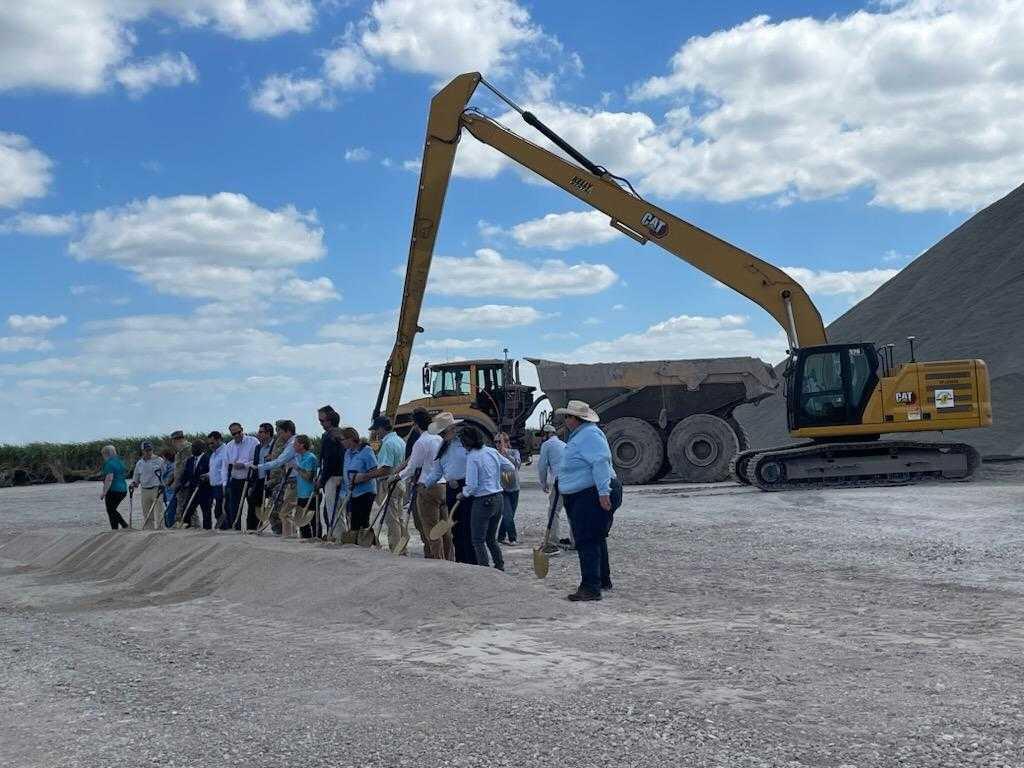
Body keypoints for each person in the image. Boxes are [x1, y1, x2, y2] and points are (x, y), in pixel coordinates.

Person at [555, 400, 619, 602]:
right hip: (587, 492)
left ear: (576, 419)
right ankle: (601, 579)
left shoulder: (588, 435)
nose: (565, 420)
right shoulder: (584, 435)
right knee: (596, 537)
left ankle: (591, 587)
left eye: (567, 417)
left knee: (586, 539)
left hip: (590, 493)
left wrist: (603, 492)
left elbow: (600, 462)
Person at [421, 412, 475, 564]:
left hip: (468, 488)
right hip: (452, 490)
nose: (442, 436)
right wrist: (425, 485)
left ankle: (472, 563)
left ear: (452, 429)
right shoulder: (442, 447)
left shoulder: (467, 443)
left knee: (467, 529)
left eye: (443, 432)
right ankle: (461, 562)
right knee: (456, 531)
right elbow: (437, 471)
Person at [461, 427, 515, 570]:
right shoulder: (491, 451)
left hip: (482, 501)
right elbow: (510, 467)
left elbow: (472, 486)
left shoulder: (472, 457)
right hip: (498, 497)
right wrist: (496, 477)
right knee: (491, 538)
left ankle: (484, 570)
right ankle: (499, 566)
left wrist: (463, 493)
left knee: (478, 540)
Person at [400, 408, 450, 558]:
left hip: (427, 486)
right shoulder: (439, 439)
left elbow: (412, 467)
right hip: (442, 485)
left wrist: (397, 476)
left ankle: (437, 560)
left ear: (415, 424)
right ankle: (448, 559)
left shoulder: (421, 442)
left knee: (431, 529)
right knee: (444, 528)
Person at [359, 415, 406, 551]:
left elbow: (385, 469)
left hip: (389, 482)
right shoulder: (400, 441)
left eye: (376, 430)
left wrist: (366, 476)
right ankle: (402, 547)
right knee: (399, 518)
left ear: (380, 428)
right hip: (400, 482)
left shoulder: (387, 443)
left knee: (392, 520)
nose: (375, 433)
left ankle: (396, 548)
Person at [256, 420, 297, 536]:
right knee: (279, 510)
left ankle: (288, 535)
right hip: (285, 479)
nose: (278, 434)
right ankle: (284, 534)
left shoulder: (293, 443)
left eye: (280, 431)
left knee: (283, 512)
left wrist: (259, 467)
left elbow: (279, 461)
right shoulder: (285, 442)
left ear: (288, 431)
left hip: (292, 480)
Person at [537, 423, 570, 551]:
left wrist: (543, 483)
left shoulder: (547, 445)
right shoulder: (563, 444)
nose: (541, 438)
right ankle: (574, 541)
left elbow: (542, 466)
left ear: (548, 434)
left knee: (553, 511)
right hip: (571, 480)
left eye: (542, 435)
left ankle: (553, 541)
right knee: (570, 511)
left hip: (560, 480)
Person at [222, 422, 260, 530]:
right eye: (234, 434)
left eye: (238, 432)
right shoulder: (229, 446)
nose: (237, 435)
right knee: (234, 507)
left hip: (250, 479)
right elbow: (226, 464)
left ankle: (252, 530)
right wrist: (224, 483)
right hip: (235, 480)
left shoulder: (253, 442)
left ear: (242, 430)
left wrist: (244, 465)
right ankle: (235, 529)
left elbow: (256, 460)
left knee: (252, 507)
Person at [339, 427, 378, 533]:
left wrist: (361, 478)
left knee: (362, 522)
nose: (341, 442)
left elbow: (375, 471)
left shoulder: (366, 451)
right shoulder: (347, 453)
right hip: (352, 492)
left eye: (342, 439)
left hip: (366, 491)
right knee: (353, 523)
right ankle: (358, 544)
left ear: (350, 438)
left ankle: (370, 544)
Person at [317, 406, 345, 538]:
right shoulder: (341, 433)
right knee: (339, 510)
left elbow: (329, 462)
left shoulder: (330, 437)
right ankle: (338, 534)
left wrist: (321, 480)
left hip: (332, 477)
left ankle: (337, 536)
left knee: (332, 509)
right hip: (342, 475)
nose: (321, 424)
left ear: (329, 421)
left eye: (322, 421)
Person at [246, 423, 275, 531]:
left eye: (261, 432)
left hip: (272, 479)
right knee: (253, 502)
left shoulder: (275, 445)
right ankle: (252, 528)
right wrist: (251, 484)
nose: (258, 434)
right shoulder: (258, 447)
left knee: (274, 505)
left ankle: (277, 529)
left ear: (268, 433)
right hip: (259, 479)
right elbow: (255, 464)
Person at [130, 441, 165, 530]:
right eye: (146, 450)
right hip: (145, 490)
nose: (148, 452)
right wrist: (133, 484)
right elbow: (136, 478)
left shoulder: (159, 460)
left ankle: (161, 529)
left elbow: (165, 475)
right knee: (147, 513)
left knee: (159, 512)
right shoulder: (139, 463)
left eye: (150, 450)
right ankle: (149, 531)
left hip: (157, 489)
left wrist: (163, 484)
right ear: (142, 451)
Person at [494, 432, 522, 545]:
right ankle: (512, 538)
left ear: (506, 442)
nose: (497, 444)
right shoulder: (494, 454)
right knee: (507, 514)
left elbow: (517, 465)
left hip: (514, 488)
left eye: (499, 441)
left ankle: (501, 537)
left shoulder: (514, 452)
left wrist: (506, 454)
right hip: (502, 489)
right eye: (495, 442)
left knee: (509, 515)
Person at [180, 440, 211, 529]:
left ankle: (207, 531)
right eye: (192, 447)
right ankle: (187, 528)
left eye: (195, 447)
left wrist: (206, 478)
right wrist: (181, 484)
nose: (192, 449)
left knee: (206, 512)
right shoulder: (190, 460)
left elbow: (211, 473)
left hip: (205, 491)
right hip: (192, 489)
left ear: (201, 448)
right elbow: (186, 474)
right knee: (187, 510)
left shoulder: (207, 459)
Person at [293, 434, 319, 539]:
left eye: (295, 444)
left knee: (312, 520)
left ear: (302, 445)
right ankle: (305, 539)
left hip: (310, 494)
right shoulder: (301, 457)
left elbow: (308, 476)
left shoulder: (310, 457)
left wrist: (297, 468)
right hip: (301, 494)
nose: (294, 446)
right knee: (301, 521)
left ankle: (315, 538)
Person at [99, 445, 130, 530]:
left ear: (106, 454)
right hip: (123, 490)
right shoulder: (120, 462)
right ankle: (115, 529)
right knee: (112, 510)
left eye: (103, 455)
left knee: (110, 510)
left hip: (113, 490)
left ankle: (124, 525)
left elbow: (109, 478)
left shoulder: (109, 463)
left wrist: (104, 492)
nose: (103, 457)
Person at [169, 430, 192, 525]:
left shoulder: (186, 449)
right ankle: (183, 525)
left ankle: (194, 527)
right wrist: (170, 480)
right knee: (182, 507)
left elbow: (183, 468)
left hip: (185, 484)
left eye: (173, 441)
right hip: (180, 483)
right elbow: (177, 469)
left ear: (177, 440)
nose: (173, 444)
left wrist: (177, 483)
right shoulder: (179, 451)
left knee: (188, 508)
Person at [207, 430, 228, 527]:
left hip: (222, 486)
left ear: (219, 440)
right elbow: (215, 470)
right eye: (209, 443)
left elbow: (225, 470)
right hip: (214, 486)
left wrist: (224, 485)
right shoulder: (213, 454)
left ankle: (224, 529)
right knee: (218, 511)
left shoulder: (225, 451)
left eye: (212, 442)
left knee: (220, 510)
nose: (210, 445)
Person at [160, 448, 177, 528]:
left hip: (172, 491)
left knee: (170, 511)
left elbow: (168, 480)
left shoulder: (172, 465)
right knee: (168, 510)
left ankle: (171, 525)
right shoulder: (167, 464)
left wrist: (165, 483)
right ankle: (170, 525)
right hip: (167, 492)